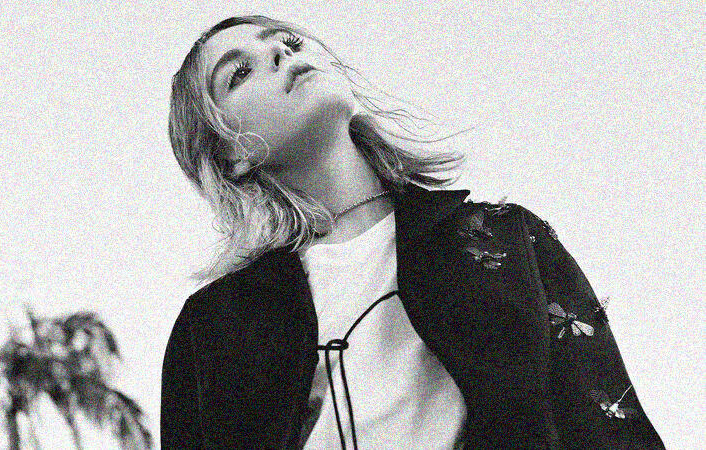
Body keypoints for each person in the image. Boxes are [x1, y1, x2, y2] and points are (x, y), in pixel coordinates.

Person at [160, 15, 664, 449]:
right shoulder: (212, 327)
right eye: (239, 73)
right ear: (231, 153)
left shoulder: (507, 239)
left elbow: (611, 429)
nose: (280, 54)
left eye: (289, 42)